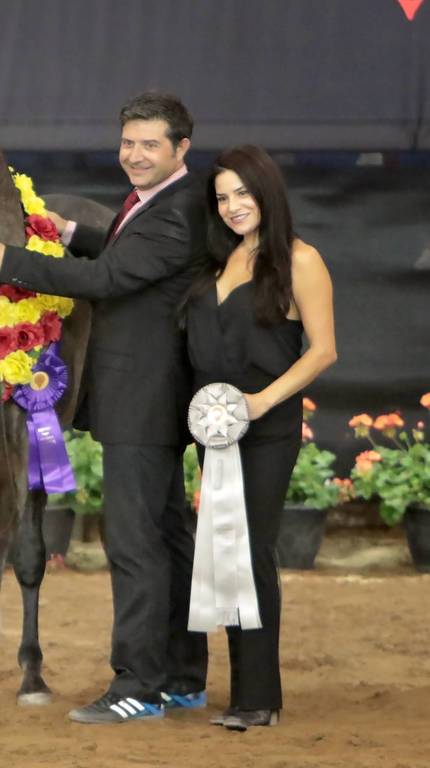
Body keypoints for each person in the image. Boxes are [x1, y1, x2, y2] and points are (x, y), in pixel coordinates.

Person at [0, 92, 209, 724]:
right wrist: (72, 233)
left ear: (182, 147)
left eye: (150, 144)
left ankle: (138, 686)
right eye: (128, 142)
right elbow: (126, 254)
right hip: (149, 396)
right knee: (167, 535)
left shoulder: (179, 209)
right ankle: (182, 676)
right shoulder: (161, 200)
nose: (135, 155)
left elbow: (108, 280)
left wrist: (10, 261)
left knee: (134, 544)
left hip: (143, 399)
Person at [184, 145, 336, 730]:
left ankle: (258, 696)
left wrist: (261, 402)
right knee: (223, 550)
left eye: (243, 193)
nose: (232, 206)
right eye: (222, 197)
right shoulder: (215, 260)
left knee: (249, 550)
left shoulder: (301, 260)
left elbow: (323, 350)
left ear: (267, 191)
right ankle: (243, 690)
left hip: (266, 427)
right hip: (215, 431)